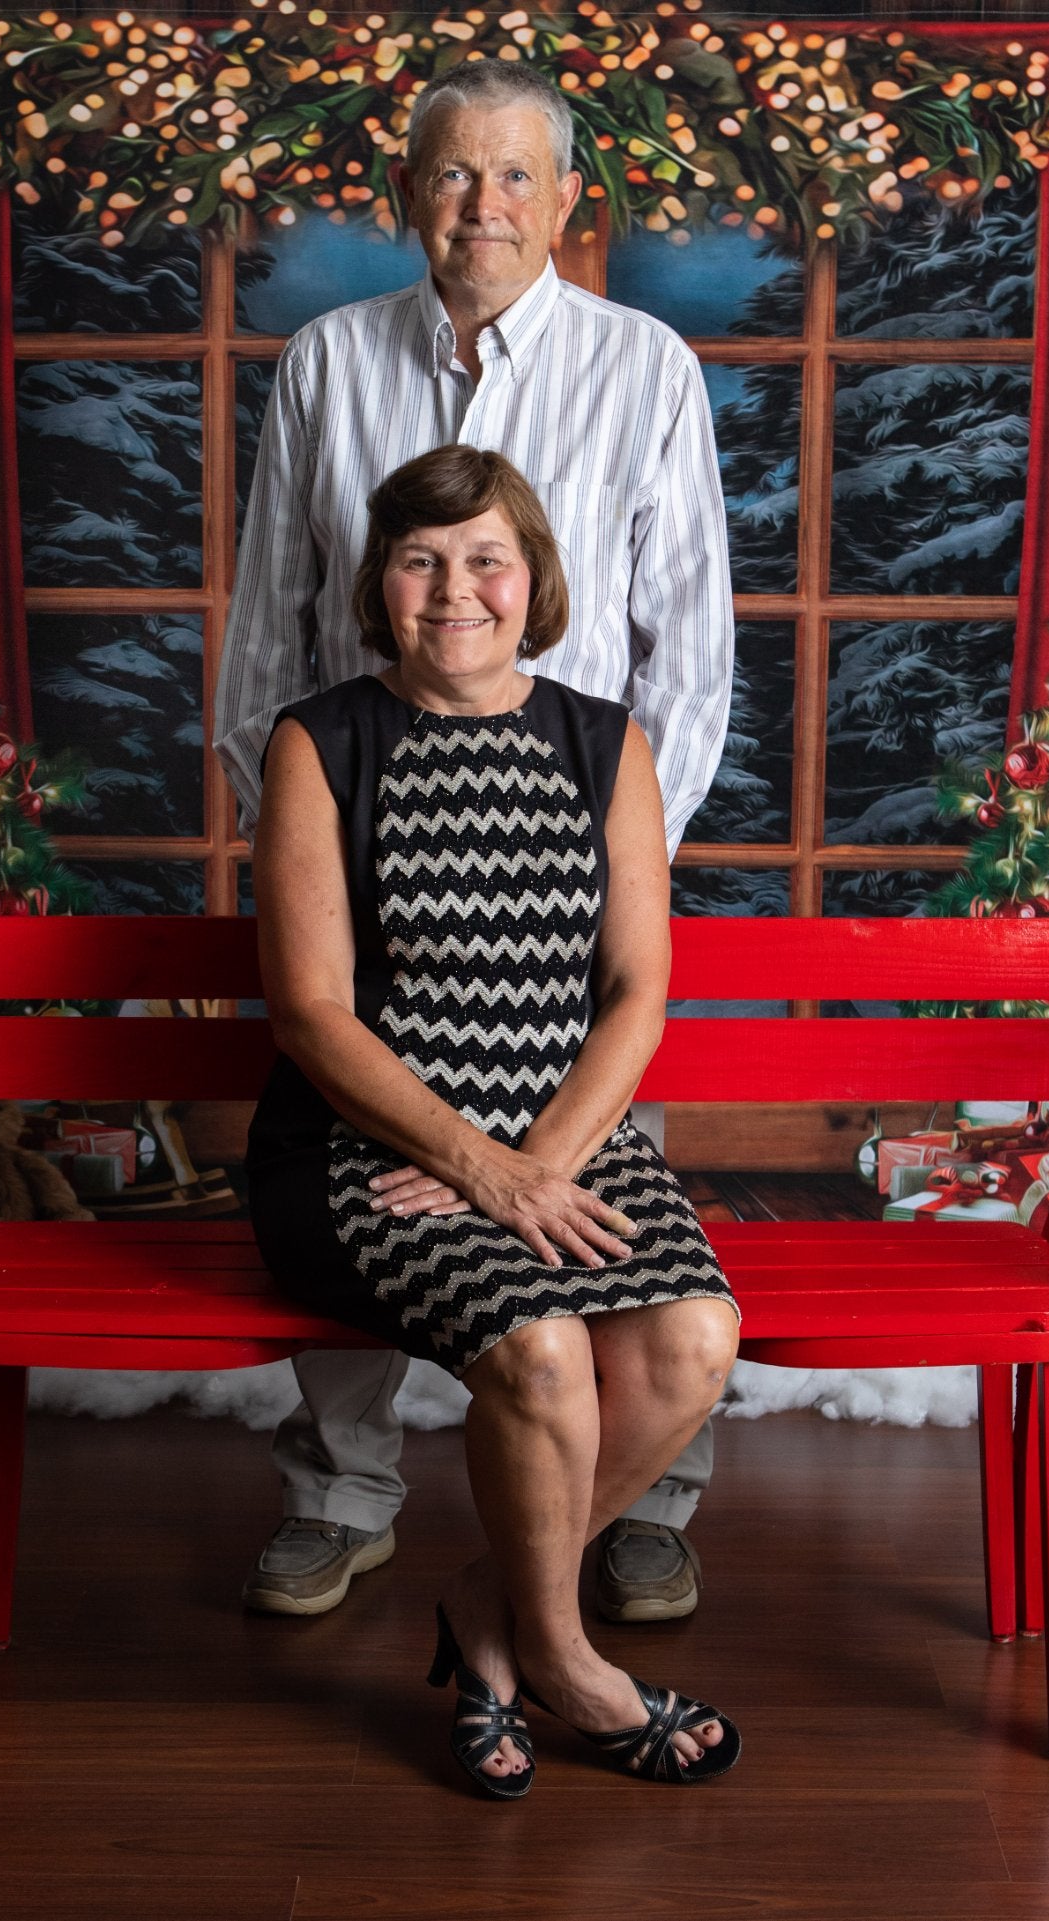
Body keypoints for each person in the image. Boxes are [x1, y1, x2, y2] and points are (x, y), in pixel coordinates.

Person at [214, 58, 734, 1627]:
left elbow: (687, 654)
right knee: (376, 1146)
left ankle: (627, 1502)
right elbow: (272, 633)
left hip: (573, 851)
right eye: (453, 174)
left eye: (518, 177)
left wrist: (596, 860)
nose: (484, 205)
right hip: (365, 839)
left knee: (601, 1197)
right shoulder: (324, 361)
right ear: (405, 194)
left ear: (570, 201)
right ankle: (346, 1486)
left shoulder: (645, 367)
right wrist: (311, 843)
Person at [247, 443, 741, 1795]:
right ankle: (572, 1660)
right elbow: (311, 1013)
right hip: (365, 1158)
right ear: (379, 582)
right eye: (419, 558)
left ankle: (486, 1606)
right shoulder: (322, 740)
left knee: (694, 1335)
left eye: (484, 560)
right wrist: (476, 1167)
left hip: (565, 1143)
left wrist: (536, 1166)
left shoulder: (602, 742)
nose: (453, 588)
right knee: (539, 1348)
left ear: (533, 581)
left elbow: (639, 995)